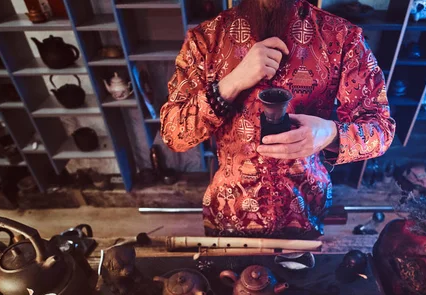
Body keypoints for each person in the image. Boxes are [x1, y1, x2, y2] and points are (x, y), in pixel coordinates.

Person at [160, 0, 395, 238]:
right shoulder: (207, 40)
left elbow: (381, 130)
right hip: (230, 208)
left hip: (306, 208)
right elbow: (173, 134)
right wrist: (232, 83)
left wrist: (330, 133)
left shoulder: (341, 36)